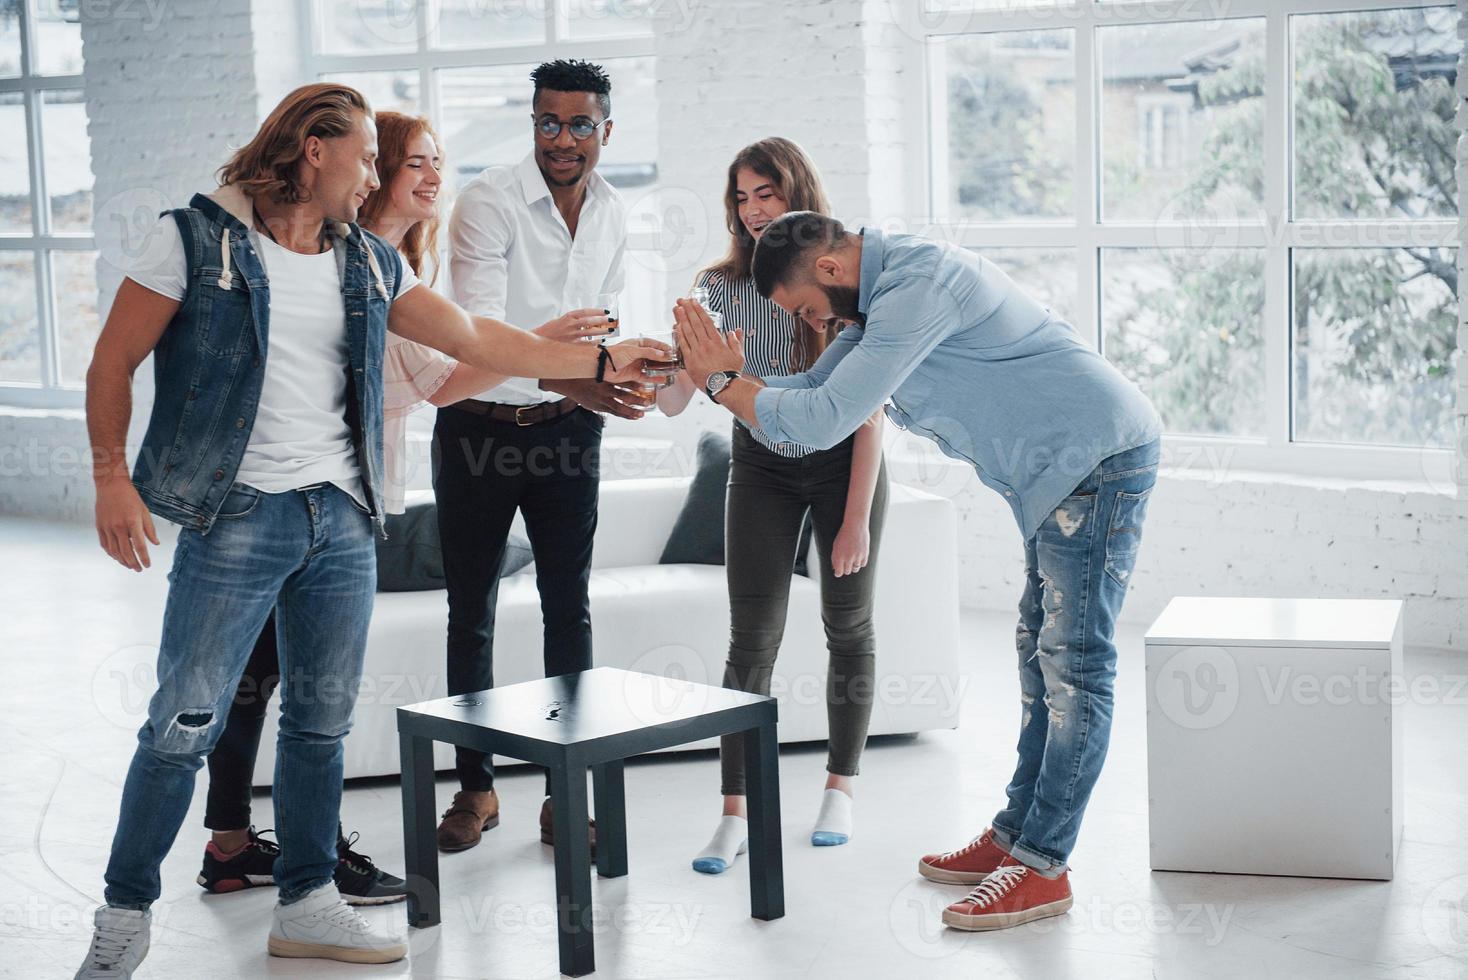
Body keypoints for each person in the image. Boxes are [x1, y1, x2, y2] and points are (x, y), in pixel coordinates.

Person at [77, 82, 666, 978]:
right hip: (238, 516)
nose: (375, 178)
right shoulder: (194, 238)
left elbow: (473, 336)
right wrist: (111, 480)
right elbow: (112, 358)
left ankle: (307, 902)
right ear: (316, 150)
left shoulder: (366, 261)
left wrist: (595, 359)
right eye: (365, 158)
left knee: (320, 724)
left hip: (343, 518)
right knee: (181, 723)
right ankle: (123, 918)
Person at [674, 210, 1162, 933]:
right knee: (1038, 657)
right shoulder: (876, 302)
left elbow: (822, 421)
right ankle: (1013, 838)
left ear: (833, 270)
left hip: (1097, 459)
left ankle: (1044, 866)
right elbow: (807, 394)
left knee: (1073, 665)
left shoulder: (920, 286)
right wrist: (712, 373)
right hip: (1060, 475)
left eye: (807, 308)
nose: (812, 321)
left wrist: (719, 381)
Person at [193, 110, 615, 905]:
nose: (433, 176)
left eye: (439, 161)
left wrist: (560, 362)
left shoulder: (393, 265)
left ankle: (248, 846)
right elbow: (425, 381)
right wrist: (545, 346)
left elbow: (437, 379)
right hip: (300, 492)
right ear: (370, 166)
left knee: (283, 683)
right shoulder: (335, 261)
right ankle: (257, 848)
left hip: (354, 495)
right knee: (266, 679)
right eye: (416, 161)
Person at [656, 139, 888, 875]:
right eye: (742, 197)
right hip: (758, 464)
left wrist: (853, 519)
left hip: (843, 463)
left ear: (798, 198)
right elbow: (672, 403)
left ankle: (840, 789)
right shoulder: (717, 286)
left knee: (846, 625)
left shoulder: (838, 279)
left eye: (767, 194)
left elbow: (870, 412)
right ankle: (736, 811)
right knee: (750, 641)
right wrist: (665, 363)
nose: (753, 210)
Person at [434, 59, 642, 854]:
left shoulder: (617, 211)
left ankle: (565, 791)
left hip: (566, 428)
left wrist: (609, 384)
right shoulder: (487, 203)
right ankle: (476, 789)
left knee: (569, 607)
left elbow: (596, 334)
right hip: (478, 429)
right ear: (532, 125)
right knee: (471, 612)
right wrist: (583, 368)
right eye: (547, 122)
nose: (562, 138)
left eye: (579, 123)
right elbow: (479, 339)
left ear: (605, 130)